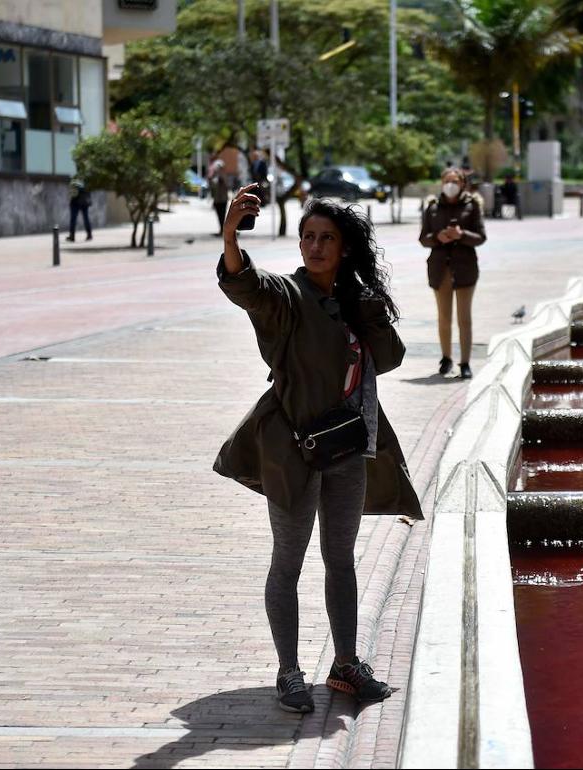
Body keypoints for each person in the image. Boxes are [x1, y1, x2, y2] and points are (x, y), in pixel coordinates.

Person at [214, 185, 421, 715]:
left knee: (340, 560)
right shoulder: (287, 295)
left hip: (348, 445)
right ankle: (289, 671)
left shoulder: (356, 300)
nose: (315, 246)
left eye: (326, 238)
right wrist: (231, 235)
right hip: (295, 451)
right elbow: (246, 285)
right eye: (308, 237)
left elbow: (390, 357)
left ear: (344, 247)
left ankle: (346, 665)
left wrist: (368, 309)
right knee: (288, 561)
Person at [419, 167, 487, 379]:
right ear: (442, 183)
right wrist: (437, 237)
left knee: (464, 318)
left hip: (465, 268)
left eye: (455, 181)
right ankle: (446, 358)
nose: (450, 185)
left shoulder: (472, 205)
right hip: (440, 269)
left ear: (462, 184)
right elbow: (423, 238)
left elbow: (481, 237)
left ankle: (465, 362)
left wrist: (461, 235)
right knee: (444, 317)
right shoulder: (432, 207)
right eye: (447, 181)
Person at [67, 176, 92, 241]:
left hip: (76, 202)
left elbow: (72, 192)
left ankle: (72, 236)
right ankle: (89, 234)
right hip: (84, 202)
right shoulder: (86, 180)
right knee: (85, 218)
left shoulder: (75, 179)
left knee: (74, 219)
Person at [208, 159, 229, 236]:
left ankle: (224, 231)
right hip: (217, 200)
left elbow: (227, 185)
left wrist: (221, 178)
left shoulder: (224, 176)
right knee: (219, 216)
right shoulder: (214, 176)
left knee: (223, 216)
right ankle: (221, 230)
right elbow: (212, 187)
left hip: (223, 199)